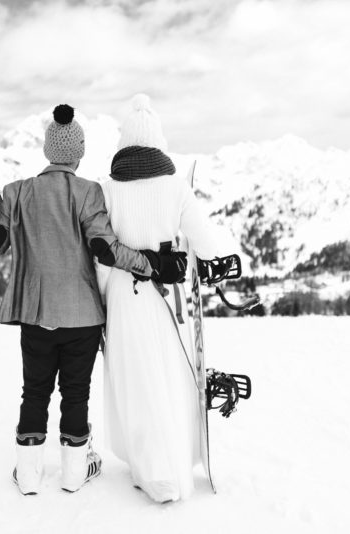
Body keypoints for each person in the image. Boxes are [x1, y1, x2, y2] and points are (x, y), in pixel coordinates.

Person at [0, 104, 187, 496]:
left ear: (47, 151)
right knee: (76, 393)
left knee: (34, 391)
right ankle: (74, 474)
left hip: (35, 312)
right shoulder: (89, 192)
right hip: (83, 316)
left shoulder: (18, 192)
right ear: (78, 152)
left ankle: (28, 476)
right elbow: (106, 251)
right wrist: (153, 265)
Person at [96, 94, 232, 503]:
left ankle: (149, 469)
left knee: (135, 380)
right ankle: (172, 464)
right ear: (158, 141)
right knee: (170, 377)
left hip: (123, 293)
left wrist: (104, 299)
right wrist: (213, 265)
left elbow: (100, 254)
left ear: (124, 143)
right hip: (169, 298)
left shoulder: (107, 190)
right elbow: (207, 243)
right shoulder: (176, 188)